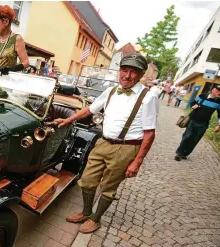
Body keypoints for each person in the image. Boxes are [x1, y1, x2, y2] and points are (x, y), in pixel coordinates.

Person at [49, 54, 158, 233]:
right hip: (103, 143)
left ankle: (95, 219)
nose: (127, 76)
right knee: (87, 180)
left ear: (140, 75)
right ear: (119, 71)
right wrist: (67, 121)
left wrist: (137, 161)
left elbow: (149, 133)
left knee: (108, 187)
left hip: (126, 148)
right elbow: (88, 110)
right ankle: (85, 212)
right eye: (124, 70)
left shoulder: (148, 97)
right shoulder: (111, 91)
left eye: (133, 72)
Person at [175, 85, 220, 161]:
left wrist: (219, 124)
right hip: (193, 120)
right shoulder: (203, 96)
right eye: (218, 90)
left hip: (203, 124)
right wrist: (193, 105)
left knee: (194, 140)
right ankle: (179, 153)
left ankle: (185, 153)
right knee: (186, 136)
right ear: (213, 90)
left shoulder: (219, 102)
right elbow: (193, 102)